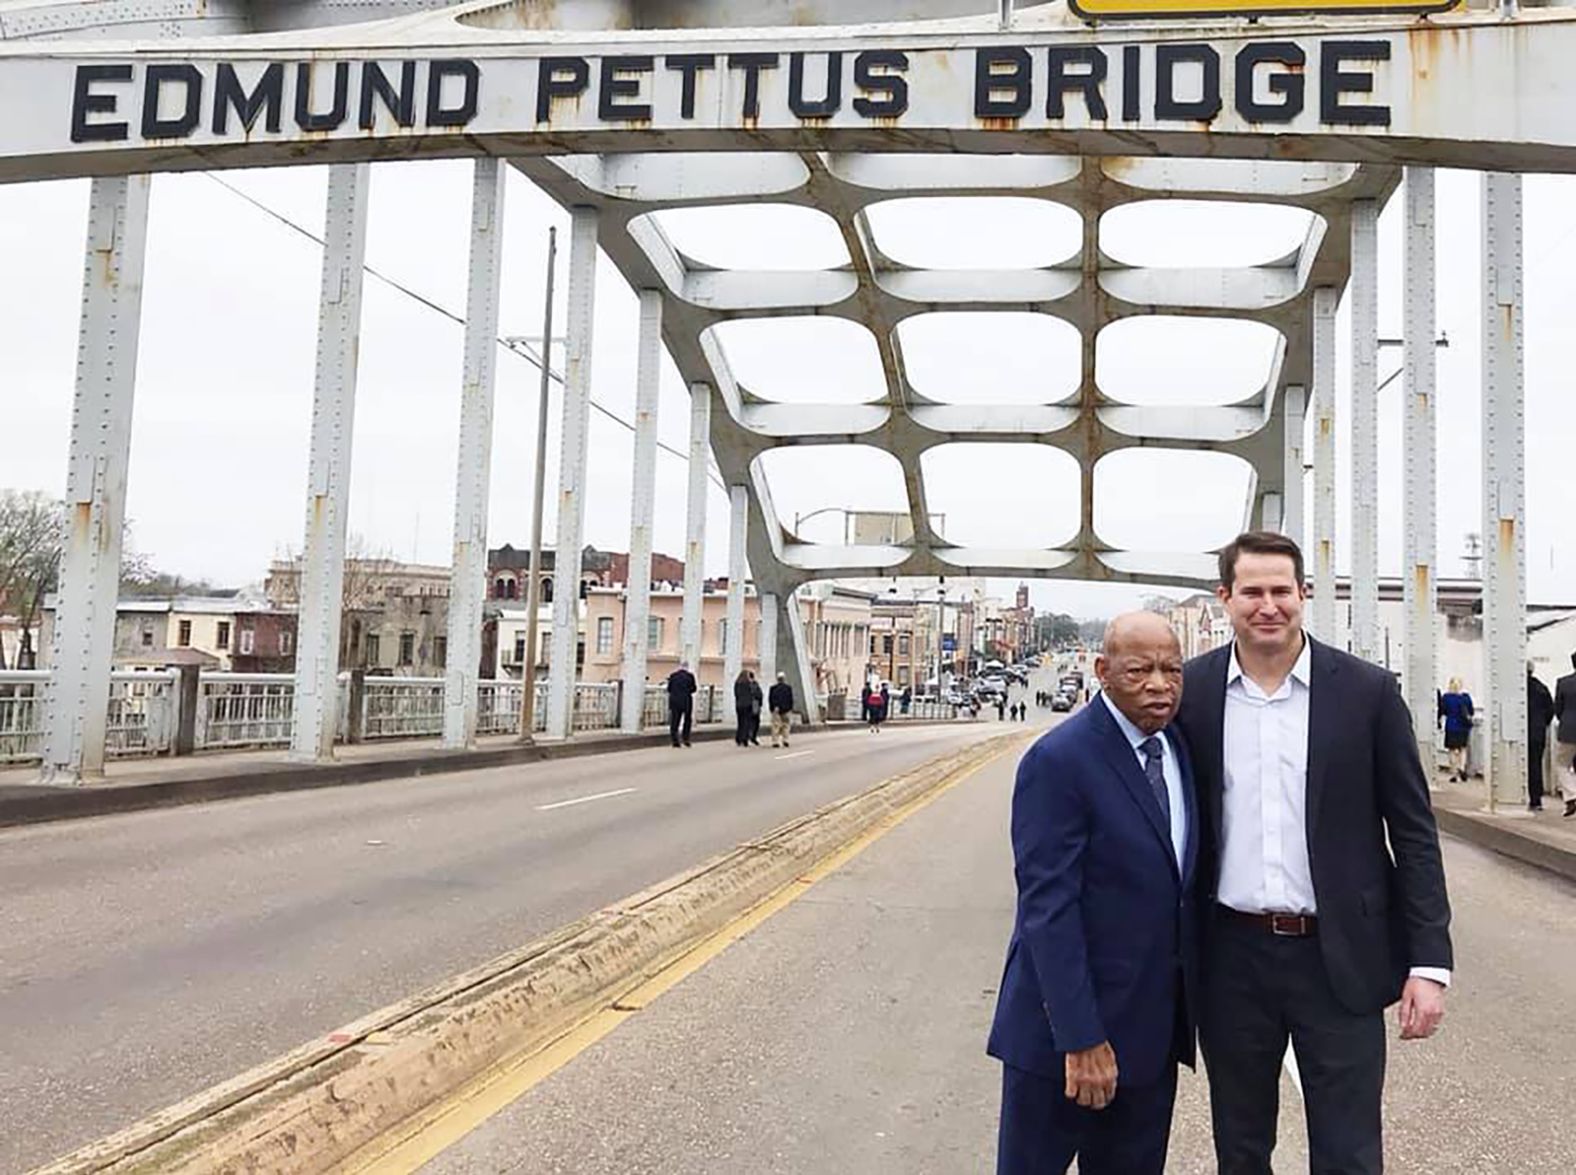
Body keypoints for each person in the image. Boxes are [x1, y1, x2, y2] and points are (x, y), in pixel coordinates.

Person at [1173, 531, 1452, 1175]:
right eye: (1252, 592)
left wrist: (1429, 961)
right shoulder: (1192, 694)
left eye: (1281, 591)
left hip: (1338, 960)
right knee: (1240, 1148)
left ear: (1303, 594)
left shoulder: (1366, 693)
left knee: (1349, 1150)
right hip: (1230, 958)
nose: (1267, 606)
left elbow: (1412, 833)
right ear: (1226, 599)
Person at [987, 612, 1197, 1175]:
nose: (1159, 684)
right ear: (1102, 671)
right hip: (1062, 1045)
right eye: (1140, 671)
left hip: (1150, 1046)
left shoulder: (1177, 748)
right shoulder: (1059, 761)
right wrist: (1080, 1039)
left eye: (1172, 670)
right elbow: (1048, 910)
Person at [1529, 664, 1556, 812]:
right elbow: (1551, 710)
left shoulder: (1517, 688)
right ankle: (1536, 799)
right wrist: (1542, 724)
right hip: (1538, 732)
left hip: (1520, 733)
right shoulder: (1542, 688)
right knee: (1535, 765)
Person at [1437, 678, 1474, 783]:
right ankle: (1462, 768)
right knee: (1463, 749)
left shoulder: (1446, 698)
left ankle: (1454, 772)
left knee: (1452, 750)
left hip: (1451, 726)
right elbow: (1471, 711)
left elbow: (1443, 711)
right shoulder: (1465, 697)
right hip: (1463, 727)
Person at [1555, 653, 1576, 817]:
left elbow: (1558, 709)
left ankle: (1572, 796)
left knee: (1562, 764)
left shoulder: (1563, 682)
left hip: (1568, 730)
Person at [665, 661, 697, 748]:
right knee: (687, 720)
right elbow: (694, 689)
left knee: (675, 721)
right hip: (686, 701)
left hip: (674, 701)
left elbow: (669, 689)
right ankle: (686, 739)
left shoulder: (673, 676)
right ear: (687, 667)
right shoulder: (690, 676)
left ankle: (675, 741)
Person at [768, 672, 795, 748]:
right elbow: (790, 699)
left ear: (777, 679)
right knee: (786, 725)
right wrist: (790, 708)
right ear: (784, 679)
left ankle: (775, 741)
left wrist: (772, 708)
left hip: (776, 709)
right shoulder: (788, 688)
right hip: (786, 709)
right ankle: (785, 740)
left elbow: (770, 699)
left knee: (775, 725)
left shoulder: (773, 688)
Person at [732, 670, 754, 747]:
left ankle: (738, 738)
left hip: (739, 705)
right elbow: (752, 693)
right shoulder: (749, 684)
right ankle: (745, 739)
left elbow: (736, 694)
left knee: (740, 722)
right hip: (748, 705)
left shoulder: (737, 684)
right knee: (747, 722)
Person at [747, 671, 764, 746]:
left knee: (748, 721)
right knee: (756, 721)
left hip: (747, 705)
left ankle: (748, 736)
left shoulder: (745, 685)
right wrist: (760, 704)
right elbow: (760, 695)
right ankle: (753, 736)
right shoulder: (755, 685)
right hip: (755, 704)